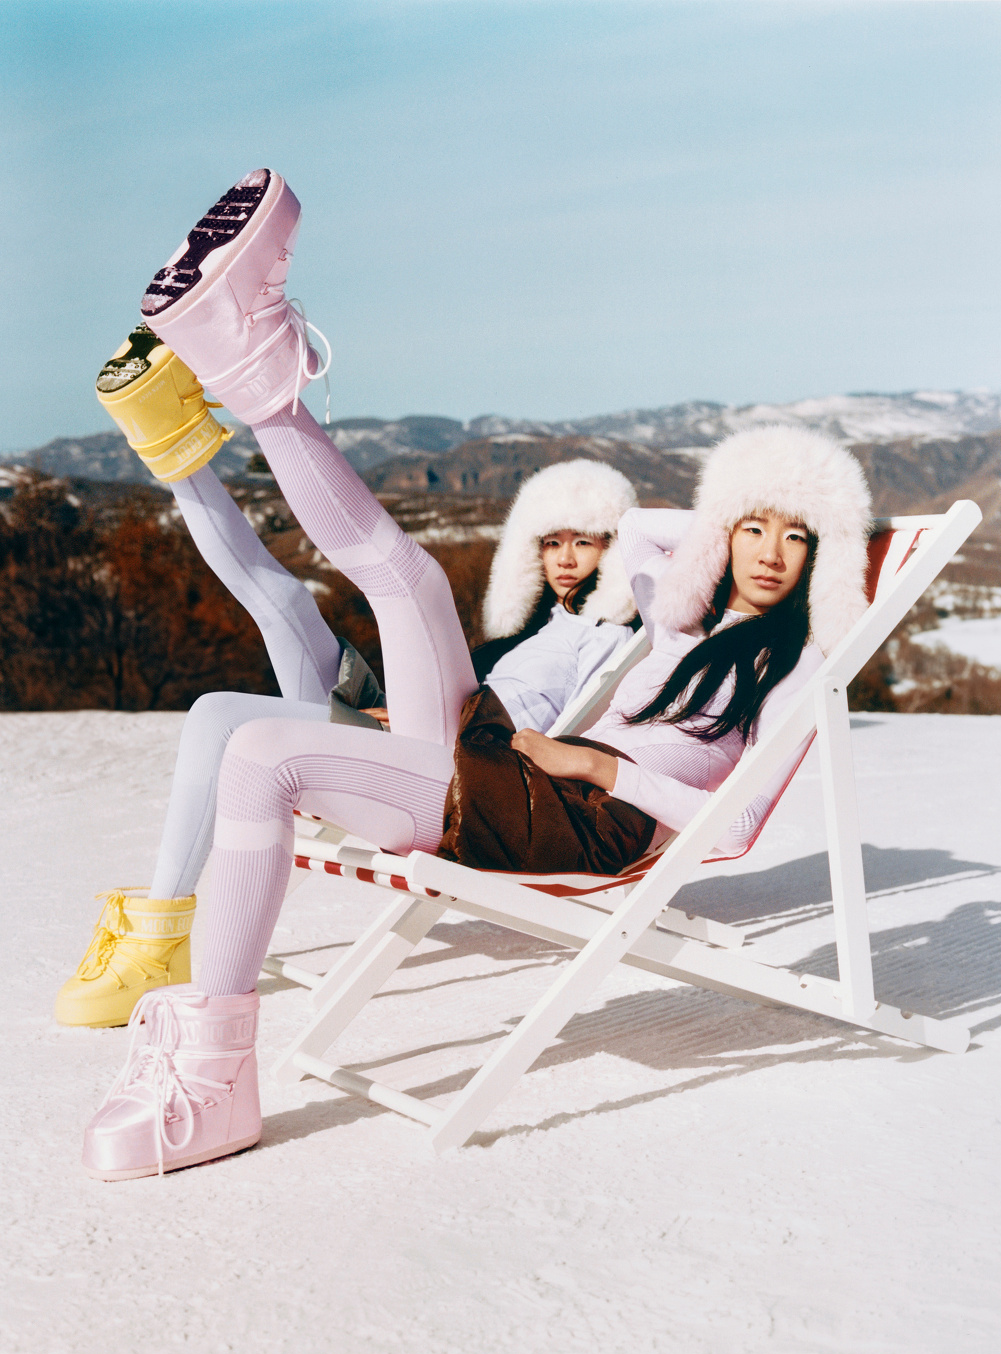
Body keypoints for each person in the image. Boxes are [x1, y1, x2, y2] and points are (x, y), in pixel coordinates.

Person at [80, 170, 871, 1180]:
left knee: (264, 753)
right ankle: (252, 366)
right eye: (751, 528)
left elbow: (737, 827)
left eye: (797, 537)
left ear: (825, 557)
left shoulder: (800, 664)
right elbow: (638, 529)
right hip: (521, 765)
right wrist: (724, 516)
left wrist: (599, 770)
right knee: (409, 581)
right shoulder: (682, 622)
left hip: (581, 814)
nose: (768, 550)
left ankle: (214, 1074)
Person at [56, 312, 639, 1027]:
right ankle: (165, 434)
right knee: (272, 618)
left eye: (587, 541)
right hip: (411, 736)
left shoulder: (615, 639)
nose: (567, 558)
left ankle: (158, 936)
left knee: (390, 596)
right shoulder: (529, 634)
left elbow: (579, 736)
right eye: (553, 542)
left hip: (465, 772)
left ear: (617, 550)